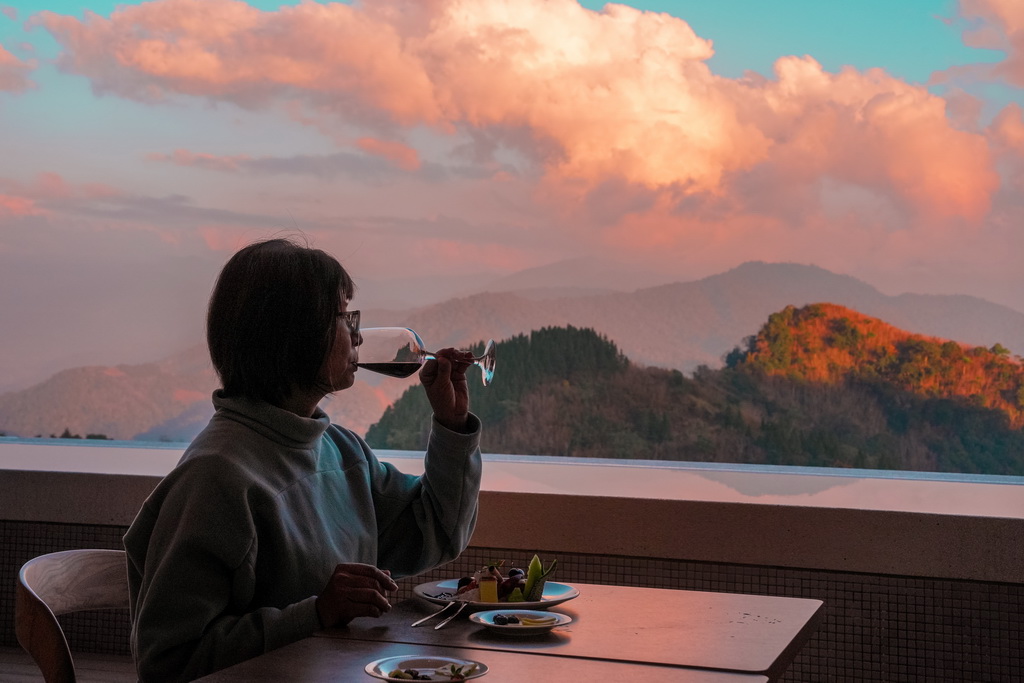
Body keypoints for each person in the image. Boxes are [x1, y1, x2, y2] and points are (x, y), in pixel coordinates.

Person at [123, 237, 482, 682]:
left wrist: (451, 424)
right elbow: (167, 664)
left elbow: (437, 531)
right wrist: (315, 614)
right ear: (291, 332)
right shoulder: (216, 478)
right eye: (343, 317)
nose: (357, 334)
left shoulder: (341, 451)